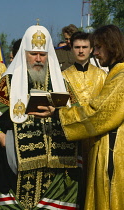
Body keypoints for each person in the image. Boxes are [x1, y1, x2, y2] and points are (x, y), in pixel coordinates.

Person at [0, 25, 82, 209]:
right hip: (17, 170)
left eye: (43, 54)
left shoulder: (61, 82)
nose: (38, 59)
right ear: (24, 53)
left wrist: (58, 112)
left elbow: (78, 116)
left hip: (56, 171)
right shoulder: (9, 82)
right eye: (33, 54)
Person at [58, 25, 124, 209]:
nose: (95, 53)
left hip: (113, 149)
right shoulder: (115, 73)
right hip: (90, 143)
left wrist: (60, 115)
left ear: (112, 46)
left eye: (98, 47)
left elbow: (99, 112)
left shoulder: (120, 76)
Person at [61, 31, 107, 192]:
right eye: (77, 47)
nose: (81, 50)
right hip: (73, 139)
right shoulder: (63, 77)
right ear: (71, 48)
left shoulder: (102, 76)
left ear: (91, 49)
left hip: (97, 138)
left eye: (85, 47)